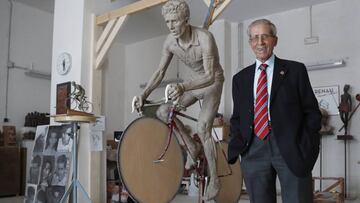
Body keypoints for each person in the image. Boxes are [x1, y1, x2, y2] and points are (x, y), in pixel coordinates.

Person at [131, 0, 224, 200]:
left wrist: (182, 86)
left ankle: (215, 180)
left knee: (203, 127)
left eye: (175, 21)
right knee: (163, 112)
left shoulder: (205, 38)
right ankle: (191, 146)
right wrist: (144, 94)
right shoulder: (170, 42)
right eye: (167, 22)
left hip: (212, 82)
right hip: (193, 83)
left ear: (186, 20)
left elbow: (208, 75)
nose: (171, 26)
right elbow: (160, 71)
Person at [228, 19, 321, 203]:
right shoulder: (240, 79)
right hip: (253, 148)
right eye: (255, 38)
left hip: (291, 145)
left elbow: (312, 112)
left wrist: (306, 143)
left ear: (275, 40)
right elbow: (238, 117)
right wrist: (240, 144)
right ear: (250, 43)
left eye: (265, 36)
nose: (260, 42)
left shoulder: (295, 70)